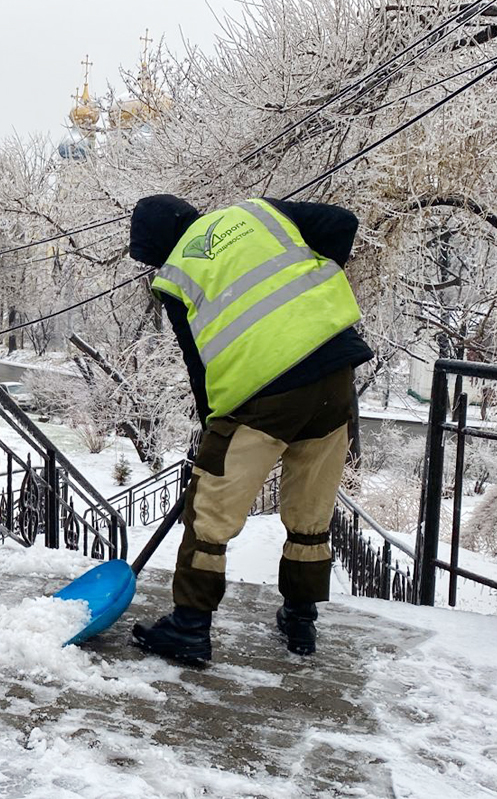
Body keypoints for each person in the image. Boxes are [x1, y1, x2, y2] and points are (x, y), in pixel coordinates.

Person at [128, 194, 374, 663]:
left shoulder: (175, 274)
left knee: (210, 511)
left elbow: (197, 364)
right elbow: (342, 223)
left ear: (159, 246)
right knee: (310, 509)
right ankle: (301, 622)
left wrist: (212, 431)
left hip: (262, 393)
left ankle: (189, 628)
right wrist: (309, 301)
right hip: (334, 372)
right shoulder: (258, 212)